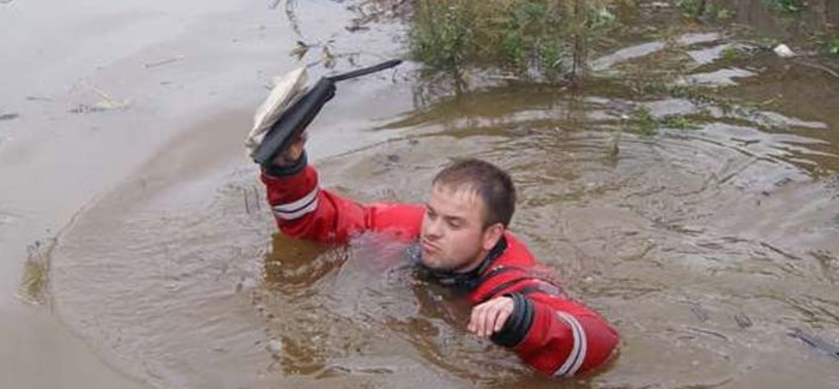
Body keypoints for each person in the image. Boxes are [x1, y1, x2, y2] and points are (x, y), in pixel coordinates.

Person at [258, 132, 619, 377]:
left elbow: (602, 343)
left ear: (491, 235)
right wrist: (287, 167)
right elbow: (318, 223)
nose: (431, 230)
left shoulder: (514, 280)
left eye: (454, 223)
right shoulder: (411, 226)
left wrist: (522, 317)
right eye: (431, 213)